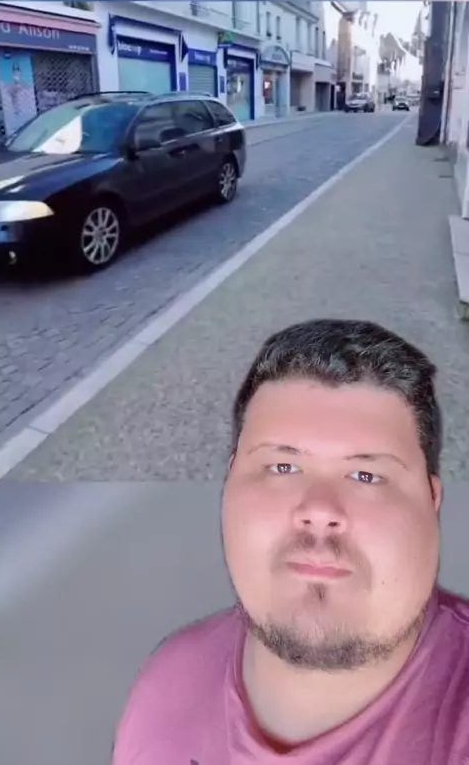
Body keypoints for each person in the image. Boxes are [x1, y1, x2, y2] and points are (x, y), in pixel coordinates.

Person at [112, 319, 469, 764]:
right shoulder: (165, 685)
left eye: (366, 475)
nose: (319, 508)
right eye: (282, 467)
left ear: (431, 502)